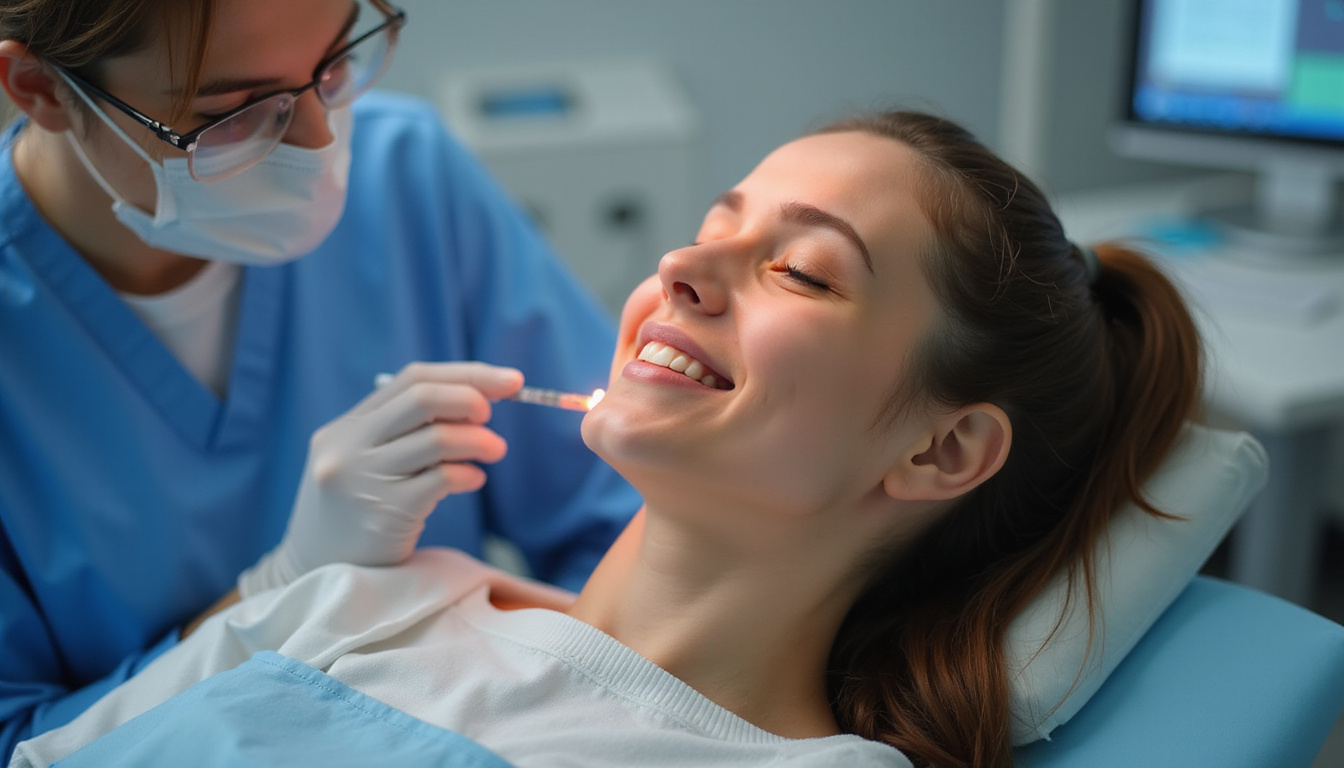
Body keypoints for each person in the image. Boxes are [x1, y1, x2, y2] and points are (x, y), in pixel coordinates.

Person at [10, 108, 1201, 768]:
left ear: (941, 454)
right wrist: (285, 578)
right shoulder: (361, 599)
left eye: (800, 269)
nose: (680, 267)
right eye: (710, 227)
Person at [0, 0, 640, 758]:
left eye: (332, 68)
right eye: (235, 112)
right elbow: (25, 746)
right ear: (38, 88)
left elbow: (630, 534)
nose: (321, 138)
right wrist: (286, 592)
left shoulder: (406, 176)